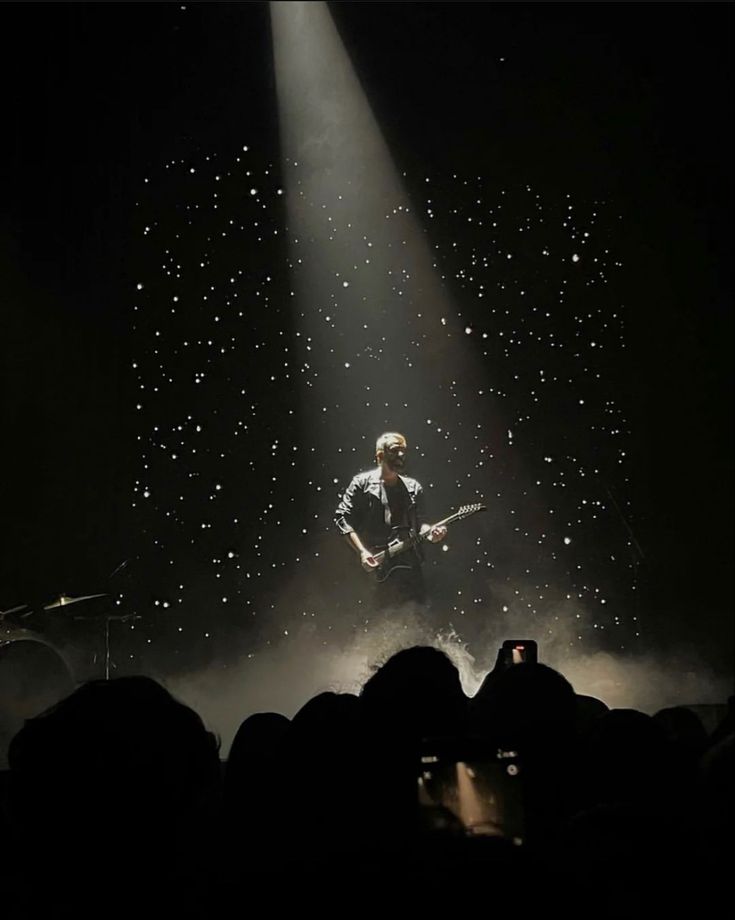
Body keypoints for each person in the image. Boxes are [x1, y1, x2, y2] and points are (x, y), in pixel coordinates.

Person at [334, 432, 447, 607]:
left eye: (403, 451)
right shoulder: (361, 484)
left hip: (409, 567)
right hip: (375, 568)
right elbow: (342, 519)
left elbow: (421, 523)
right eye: (395, 451)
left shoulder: (413, 487)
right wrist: (362, 552)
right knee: (377, 620)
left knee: (417, 617)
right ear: (380, 455)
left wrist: (431, 534)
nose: (401, 455)